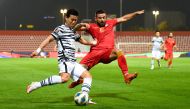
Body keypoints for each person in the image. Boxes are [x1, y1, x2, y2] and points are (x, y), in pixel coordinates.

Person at [26, 9, 97, 100]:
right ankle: (35, 85)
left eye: (76, 20)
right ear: (66, 18)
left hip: (73, 62)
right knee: (64, 79)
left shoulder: (73, 31)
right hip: (65, 60)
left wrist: (92, 43)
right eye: (72, 19)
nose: (74, 22)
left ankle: (84, 96)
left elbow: (82, 41)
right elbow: (48, 39)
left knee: (88, 76)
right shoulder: (60, 29)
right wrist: (38, 50)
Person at [69, 9, 144, 88]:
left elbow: (124, 18)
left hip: (108, 54)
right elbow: (76, 28)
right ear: (96, 18)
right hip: (95, 54)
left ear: (106, 17)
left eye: (104, 17)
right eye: (100, 18)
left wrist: (135, 13)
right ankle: (79, 80)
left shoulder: (111, 22)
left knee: (118, 52)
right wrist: (80, 25)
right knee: (78, 70)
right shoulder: (91, 26)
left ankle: (126, 75)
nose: (102, 19)